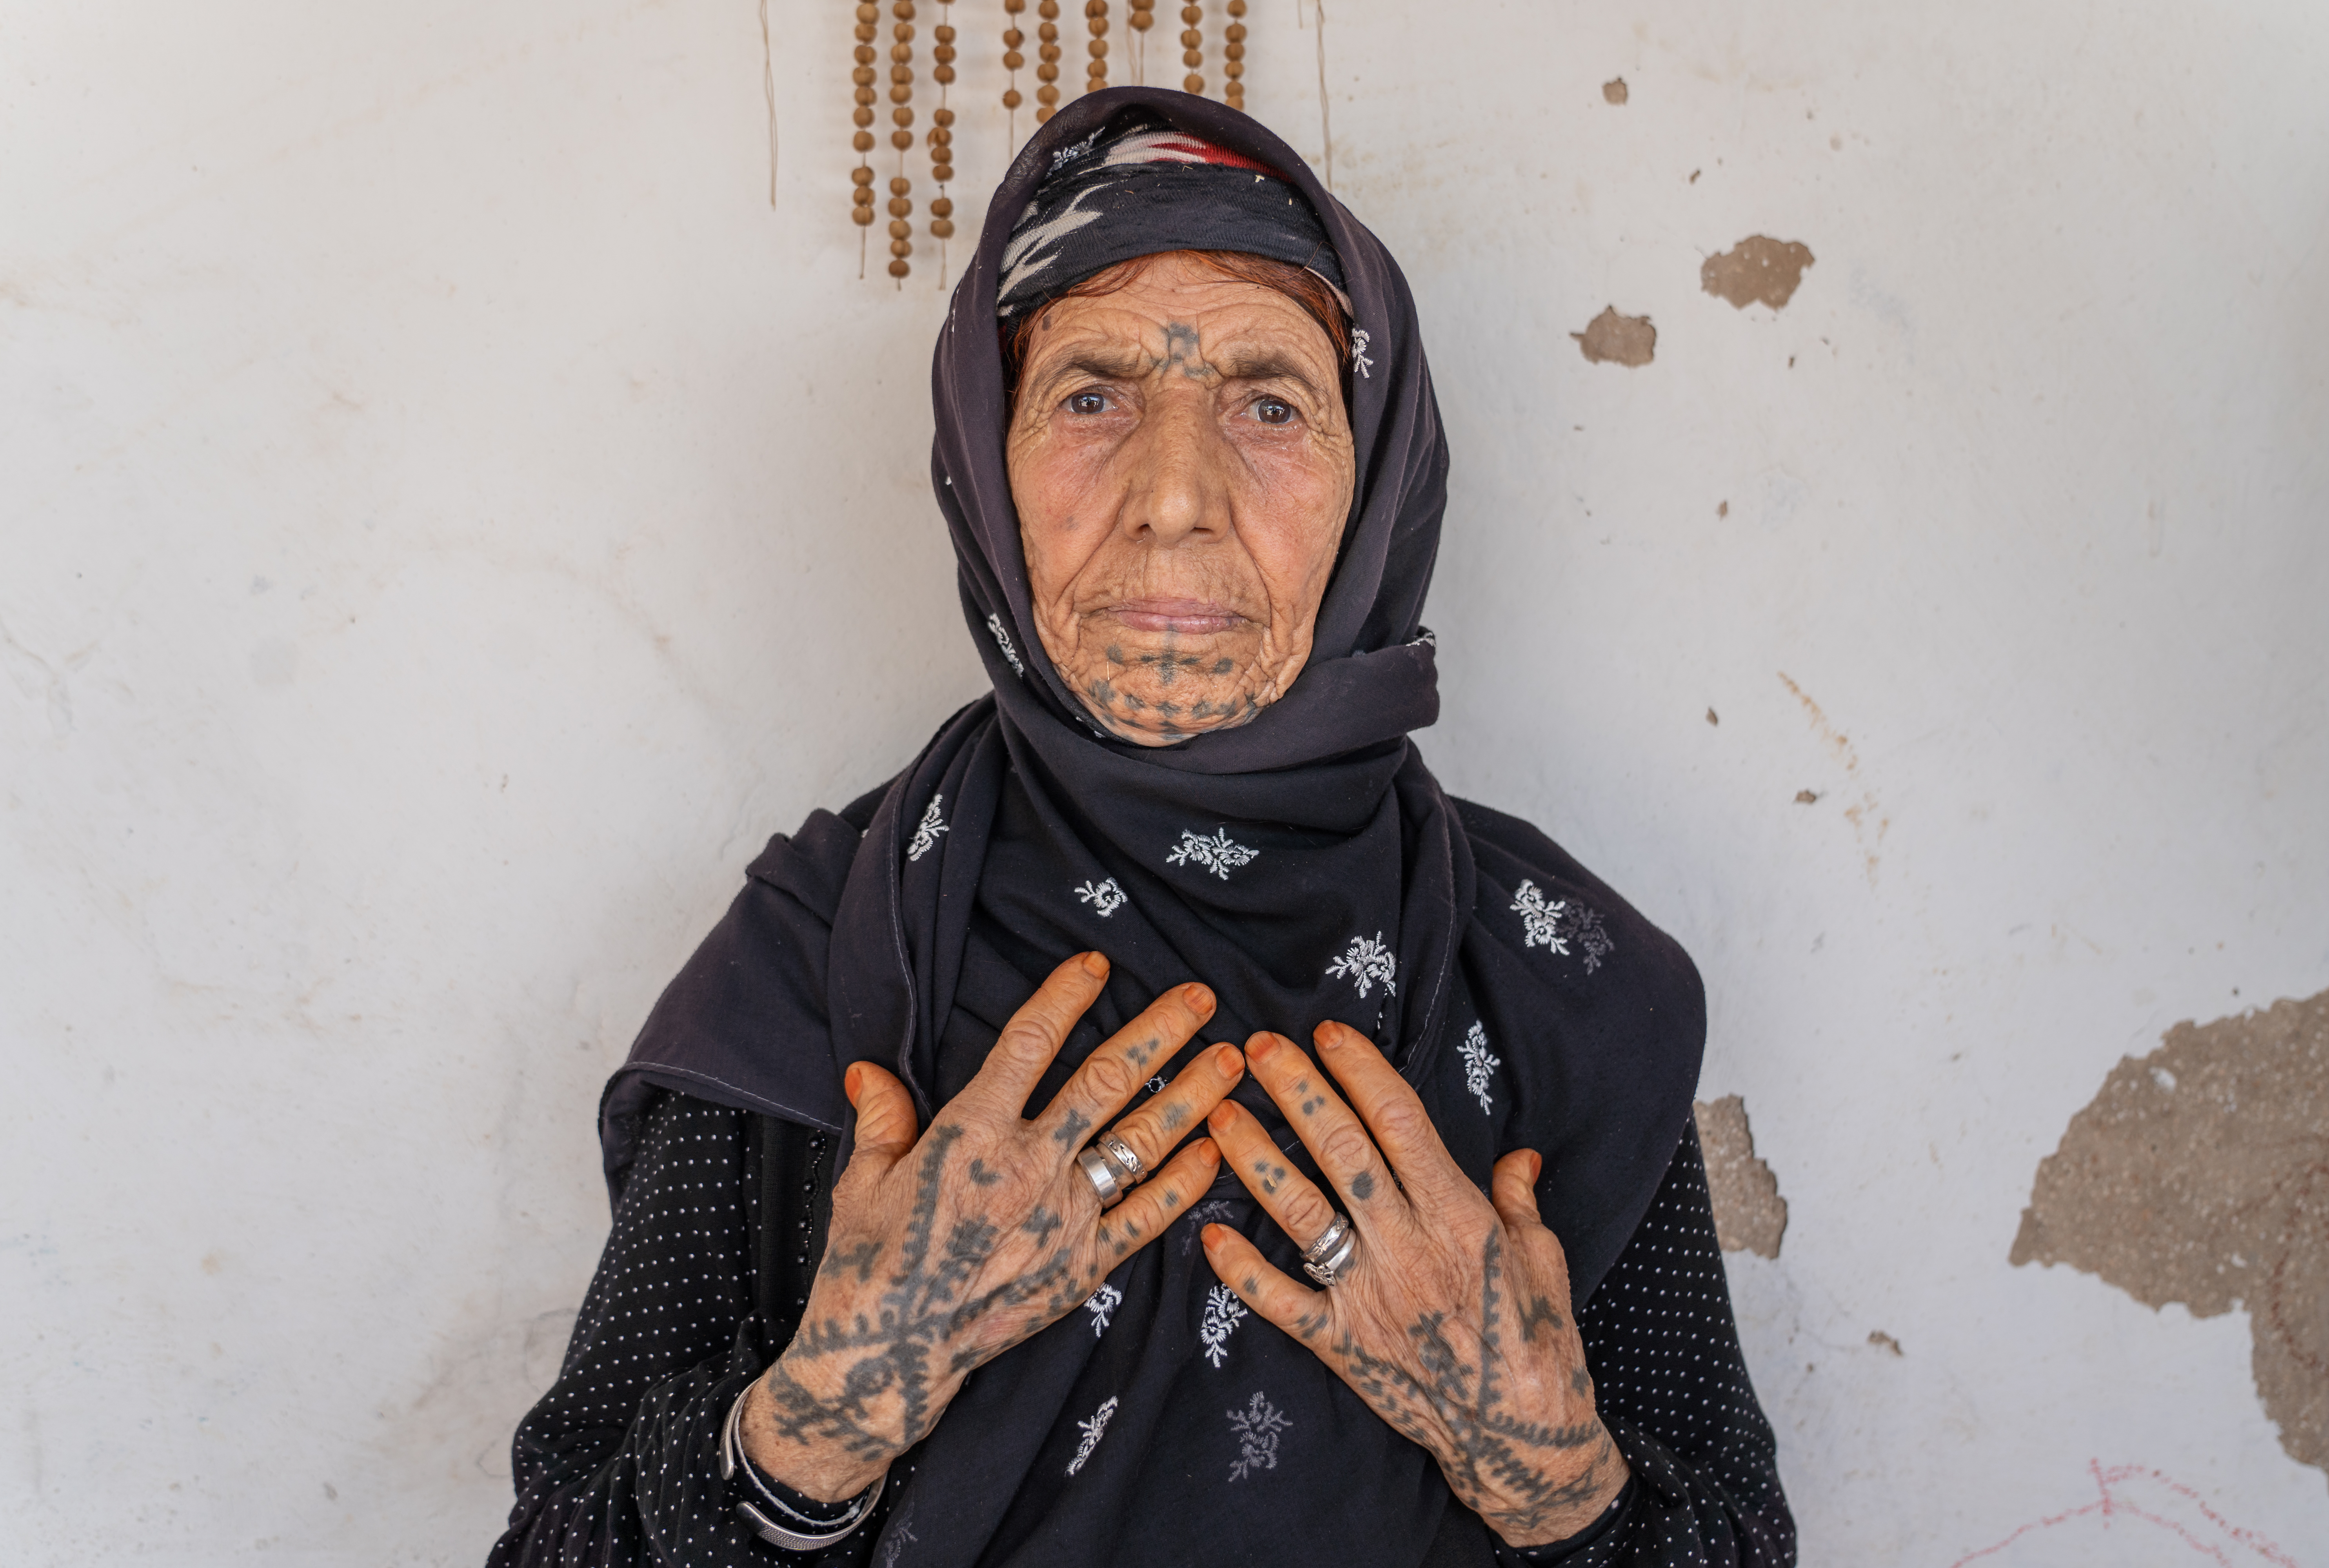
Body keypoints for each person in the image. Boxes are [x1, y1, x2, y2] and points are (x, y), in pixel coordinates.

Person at [489, 88, 1795, 1568]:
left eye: (1271, 403)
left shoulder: (1551, 985)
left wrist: (1549, 1479)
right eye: (1093, 395)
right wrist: (828, 1414)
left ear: (1381, 483)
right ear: (986, 467)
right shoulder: (828, 953)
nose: (1174, 497)